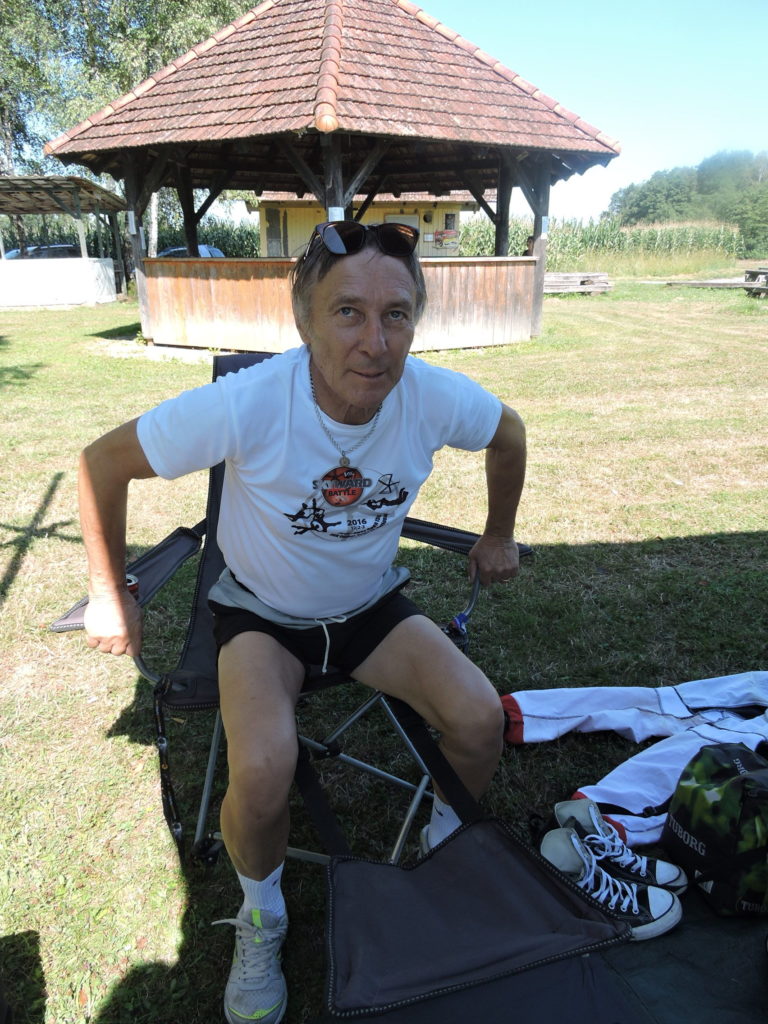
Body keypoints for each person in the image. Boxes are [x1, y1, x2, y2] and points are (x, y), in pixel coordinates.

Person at [78, 220, 527, 1024]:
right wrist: (110, 590)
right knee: (262, 770)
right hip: (262, 614)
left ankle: (443, 844)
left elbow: (510, 434)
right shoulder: (250, 402)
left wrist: (498, 534)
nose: (375, 343)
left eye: (396, 315)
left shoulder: (431, 396)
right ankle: (262, 914)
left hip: (369, 606)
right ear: (304, 320)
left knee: (479, 719)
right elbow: (102, 461)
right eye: (347, 312)